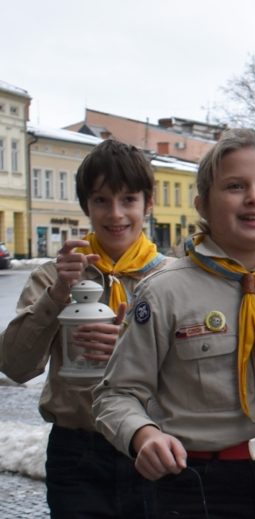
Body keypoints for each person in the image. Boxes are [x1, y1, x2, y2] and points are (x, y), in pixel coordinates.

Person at [92, 129, 255, 518]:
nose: (254, 198)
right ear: (203, 204)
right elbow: (115, 395)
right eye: (235, 186)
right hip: (196, 485)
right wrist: (143, 436)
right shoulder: (164, 291)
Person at [0, 139, 171, 517]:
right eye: (101, 200)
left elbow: (194, 377)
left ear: (148, 204)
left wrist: (130, 349)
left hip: (153, 444)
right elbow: (15, 365)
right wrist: (57, 294)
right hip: (77, 452)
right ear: (86, 205)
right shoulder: (53, 276)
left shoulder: (170, 278)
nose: (115, 214)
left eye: (128, 200)